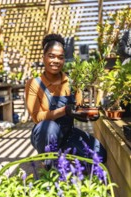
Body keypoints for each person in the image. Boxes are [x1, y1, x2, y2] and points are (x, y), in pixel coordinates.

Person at [25, 33, 107, 163]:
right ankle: (49, 167)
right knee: (49, 128)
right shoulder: (34, 83)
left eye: (60, 57)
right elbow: (37, 117)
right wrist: (65, 110)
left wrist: (87, 115)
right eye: (51, 56)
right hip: (44, 134)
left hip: (68, 133)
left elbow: (78, 109)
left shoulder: (73, 82)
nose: (56, 61)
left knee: (99, 155)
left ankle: (63, 156)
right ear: (43, 58)